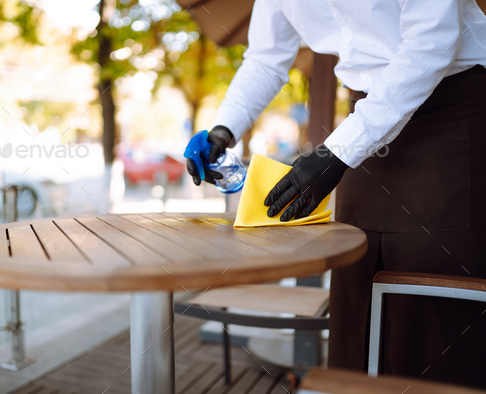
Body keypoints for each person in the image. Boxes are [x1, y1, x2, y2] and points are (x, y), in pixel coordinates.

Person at [187, 0, 486, 388]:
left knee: (430, 295)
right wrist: (223, 130)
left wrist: (339, 151)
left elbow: (431, 42)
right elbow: (265, 58)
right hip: (365, 116)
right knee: (355, 280)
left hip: (452, 109)